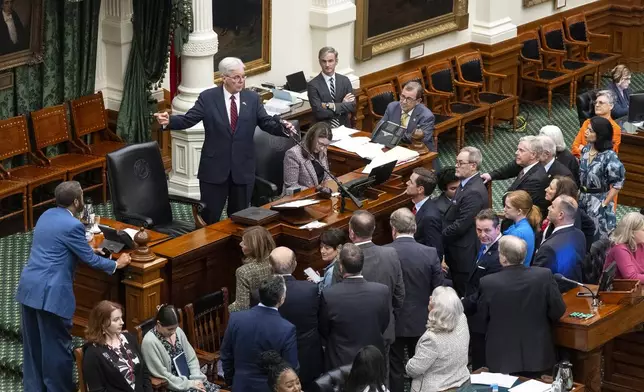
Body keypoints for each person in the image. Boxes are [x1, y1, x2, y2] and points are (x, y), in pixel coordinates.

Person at [16, 181, 131, 392]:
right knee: (56, 350)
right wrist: (117, 263)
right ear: (76, 201)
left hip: (29, 289)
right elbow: (92, 261)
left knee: (33, 348)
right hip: (51, 295)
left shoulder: (46, 215)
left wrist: (84, 251)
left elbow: (56, 246)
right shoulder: (73, 226)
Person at [153, 57, 297, 224]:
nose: (241, 81)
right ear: (224, 78)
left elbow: (265, 122)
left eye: (243, 76)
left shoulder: (251, 99)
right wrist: (168, 121)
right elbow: (188, 120)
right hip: (214, 170)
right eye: (236, 77)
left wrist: (283, 128)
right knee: (210, 218)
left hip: (243, 169)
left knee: (241, 217)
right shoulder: (208, 98)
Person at [478, 236, 566, 376]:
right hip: (538, 354)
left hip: (502, 358)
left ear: (504, 258)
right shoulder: (544, 276)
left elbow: (483, 317)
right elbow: (558, 310)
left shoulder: (488, 283)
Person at [384, 208, 442, 392]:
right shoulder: (430, 253)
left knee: (394, 366)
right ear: (415, 228)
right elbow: (438, 289)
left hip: (393, 320)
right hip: (421, 320)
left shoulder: (383, 253)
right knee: (423, 365)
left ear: (393, 228)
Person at [349, 210, 405, 374]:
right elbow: (400, 294)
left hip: (354, 332)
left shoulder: (345, 259)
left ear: (351, 232)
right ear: (373, 230)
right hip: (385, 329)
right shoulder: (391, 254)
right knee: (382, 375)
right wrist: (390, 314)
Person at [319, 243, 390, 370]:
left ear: (340, 266)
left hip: (341, 361)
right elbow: (383, 323)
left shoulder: (329, 295)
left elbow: (324, 330)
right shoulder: (382, 291)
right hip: (372, 359)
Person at [221, 276, 298, 392]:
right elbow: (290, 366)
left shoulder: (236, 319)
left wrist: (231, 381)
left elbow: (226, 354)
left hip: (240, 385)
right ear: (282, 299)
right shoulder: (286, 329)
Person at [268, 247, 323, 389]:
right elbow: (322, 320)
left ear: (270, 267)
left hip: (277, 362)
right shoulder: (310, 289)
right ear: (295, 264)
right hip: (308, 358)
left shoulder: (259, 295)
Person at [443, 146, 489, 295]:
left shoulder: (473, 191)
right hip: (457, 251)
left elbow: (461, 225)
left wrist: (440, 235)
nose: (456, 165)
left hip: (464, 255)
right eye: (456, 162)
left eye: (460, 163)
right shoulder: (465, 184)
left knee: (463, 293)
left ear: (473, 165)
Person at [405, 286, 470, 392]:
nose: (430, 298)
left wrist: (408, 365)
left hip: (437, 388)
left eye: (433, 298)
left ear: (436, 308)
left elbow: (414, 369)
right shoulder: (462, 318)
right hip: (461, 381)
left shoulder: (432, 338)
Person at [461, 209, 503, 370]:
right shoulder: (485, 246)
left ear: (497, 229)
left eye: (487, 230)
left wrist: (462, 303)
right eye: (479, 230)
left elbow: (486, 292)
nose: (482, 235)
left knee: (482, 366)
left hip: (485, 320)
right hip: (477, 315)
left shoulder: (499, 255)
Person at [141, 305, 219, 392]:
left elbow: (191, 358)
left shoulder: (178, 331)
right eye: (169, 329)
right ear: (159, 324)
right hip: (173, 386)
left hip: (193, 380)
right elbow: (163, 375)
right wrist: (190, 384)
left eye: (175, 328)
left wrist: (196, 379)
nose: (173, 332)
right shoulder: (149, 342)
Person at [82, 301, 152, 392]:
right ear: (102, 323)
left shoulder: (129, 338)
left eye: (121, 318)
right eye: (116, 320)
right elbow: (97, 389)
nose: (122, 322)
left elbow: (144, 372)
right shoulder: (92, 353)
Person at [578, 116, 625, 238]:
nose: (586, 132)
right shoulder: (586, 150)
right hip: (582, 198)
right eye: (587, 129)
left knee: (597, 238)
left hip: (598, 201)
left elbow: (618, 183)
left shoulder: (609, 156)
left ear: (600, 135)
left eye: (591, 131)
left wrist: (604, 203)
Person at [481, 135, 549, 219]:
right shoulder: (526, 164)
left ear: (533, 155)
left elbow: (515, 204)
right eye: (518, 149)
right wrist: (491, 175)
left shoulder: (535, 179)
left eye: (521, 150)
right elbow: (510, 168)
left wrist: (506, 194)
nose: (516, 152)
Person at [534, 195, 586, 291]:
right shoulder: (580, 235)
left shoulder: (548, 248)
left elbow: (538, 281)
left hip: (556, 298)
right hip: (575, 292)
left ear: (560, 215)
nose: (548, 208)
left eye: (553, 207)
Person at [376, 81, 436, 152]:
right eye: (403, 96)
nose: (404, 101)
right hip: (393, 148)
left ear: (418, 101)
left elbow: (422, 139)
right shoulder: (392, 107)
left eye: (409, 99)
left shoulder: (426, 116)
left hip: (418, 152)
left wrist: (395, 134)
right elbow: (381, 127)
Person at [540, 176, 596, 251]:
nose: (545, 189)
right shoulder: (553, 208)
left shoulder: (571, 217)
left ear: (561, 193)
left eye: (551, 188)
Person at [229, 226, 275, 312]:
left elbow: (242, 307)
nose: (240, 244)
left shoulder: (243, 272)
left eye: (245, 243)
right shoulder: (276, 261)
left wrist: (228, 308)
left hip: (255, 314)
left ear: (253, 247)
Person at [307, 46, 356, 128]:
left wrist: (330, 106)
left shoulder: (344, 80)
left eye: (330, 61)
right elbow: (319, 113)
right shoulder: (313, 85)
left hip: (344, 127)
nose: (327, 65)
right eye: (324, 61)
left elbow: (352, 106)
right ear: (319, 62)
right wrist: (342, 105)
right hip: (323, 129)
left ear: (336, 61)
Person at [283, 122, 332, 192]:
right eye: (320, 144)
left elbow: (327, 176)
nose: (322, 148)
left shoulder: (323, 151)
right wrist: (317, 190)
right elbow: (291, 187)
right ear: (311, 138)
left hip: (320, 196)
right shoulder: (293, 154)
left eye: (326, 145)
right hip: (300, 198)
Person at [571, 90, 621, 158]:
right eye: (596, 102)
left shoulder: (615, 129)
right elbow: (574, 148)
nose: (597, 105)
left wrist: (583, 149)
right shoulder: (587, 123)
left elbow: (608, 156)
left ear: (611, 106)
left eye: (601, 103)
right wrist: (592, 155)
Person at [405, 167, 443, 257]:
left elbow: (435, 252)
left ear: (420, 189)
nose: (407, 183)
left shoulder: (430, 217)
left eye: (411, 182)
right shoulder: (417, 206)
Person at [503, 190, 541, 266]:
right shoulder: (525, 224)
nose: (504, 209)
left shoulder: (517, 233)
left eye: (508, 207)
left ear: (519, 211)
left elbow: (506, 261)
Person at [604, 212, 644, 283]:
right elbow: (631, 277)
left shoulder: (640, 244)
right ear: (631, 232)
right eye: (643, 230)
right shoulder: (620, 249)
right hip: (617, 290)